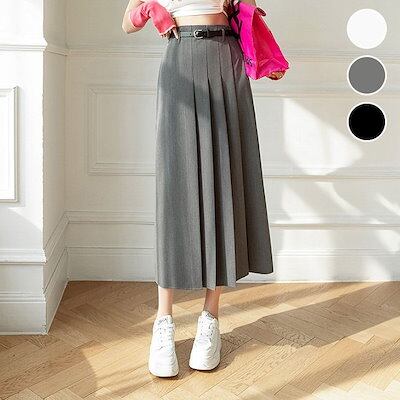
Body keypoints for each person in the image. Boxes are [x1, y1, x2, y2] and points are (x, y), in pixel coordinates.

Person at [122, 0, 284, 378]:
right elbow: (127, 23)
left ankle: (210, 318)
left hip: (225, 59)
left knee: (224, 181)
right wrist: (150, 10)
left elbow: (244, 12)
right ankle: (164, 321)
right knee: (174, 192)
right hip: (179, 60)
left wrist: (263, 50)